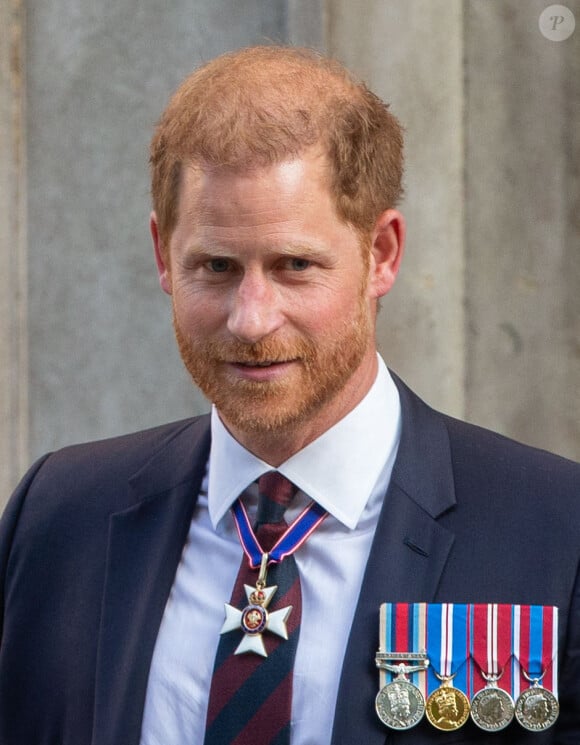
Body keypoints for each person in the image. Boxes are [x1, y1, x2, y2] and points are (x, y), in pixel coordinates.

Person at [0, 44, 579, 745]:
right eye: (215, 266)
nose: (251, 318)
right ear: (162, 256)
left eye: (295, 265)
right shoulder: (59, 518)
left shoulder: (552, 531)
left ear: (382, 254)